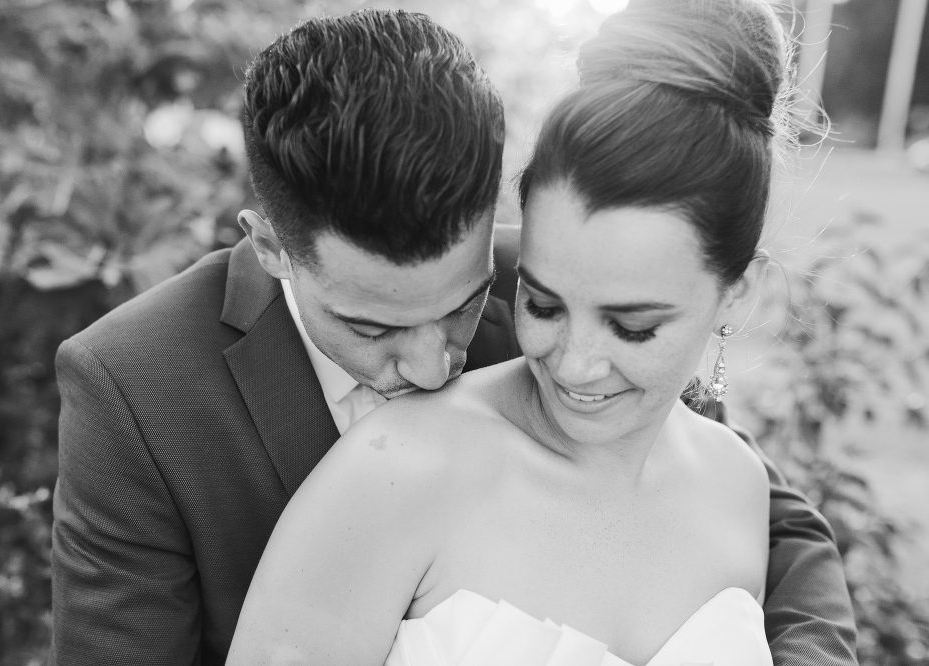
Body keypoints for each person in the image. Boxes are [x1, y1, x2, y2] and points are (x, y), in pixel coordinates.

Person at [49, 8, 855, 666]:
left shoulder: (564, 272)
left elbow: (761, 515)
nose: (437, 369)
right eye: (373, 324)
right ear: (271, 250)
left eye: (466, 305)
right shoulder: (134, 386)